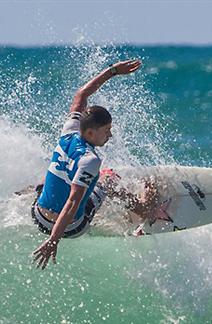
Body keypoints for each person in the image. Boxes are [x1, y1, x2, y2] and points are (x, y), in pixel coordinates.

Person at [32, 59, 144, 269]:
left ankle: (27, 192)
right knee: (109, 179)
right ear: (91, 132)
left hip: (37, 216)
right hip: (70, 227)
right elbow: (73, 203)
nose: (110, 135)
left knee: (54, 175)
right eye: (106, 131)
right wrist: (54, 240)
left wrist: (112, 72)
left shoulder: (70, 130)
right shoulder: (90, 160)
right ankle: (145, 214)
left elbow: (81, 96)